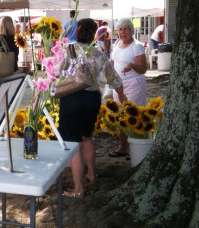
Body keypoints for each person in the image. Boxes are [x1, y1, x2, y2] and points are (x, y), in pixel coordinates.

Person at [57, 18, 126, 197]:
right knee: (87, 137)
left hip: (71, 98)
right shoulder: (99, 54)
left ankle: (78, 189)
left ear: (77, 31)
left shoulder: (68, 49)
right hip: (92, 99)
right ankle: (91, 174)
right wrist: (123, 97)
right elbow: (115, 79)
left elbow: (55, 73)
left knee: (73, 144)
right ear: (94, 34)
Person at [109, 18, 148, 158]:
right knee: (120, 116)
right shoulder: (116, 43)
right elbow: (113, 62)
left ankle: (137, 149)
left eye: (125, 29)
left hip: (134, 86)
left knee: (134, 115)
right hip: (118, 86)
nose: (122, 32)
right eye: (120, 29)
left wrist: (132, 66)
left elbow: (143, 69)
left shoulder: (137, 46)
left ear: (132, 31)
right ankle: (123, 148)